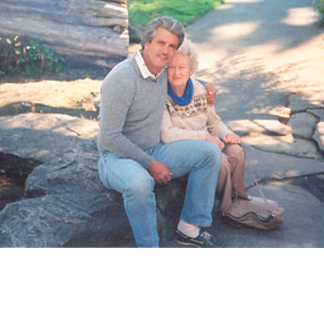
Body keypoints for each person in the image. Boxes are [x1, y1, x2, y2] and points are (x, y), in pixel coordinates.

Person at [97, 16, 222, 248]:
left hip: (155, 149)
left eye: (172, 46)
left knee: (209, 153)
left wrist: (207, 86)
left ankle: (189, 228)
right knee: (140, 183)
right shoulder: (120, 79)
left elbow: (184, 75)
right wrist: (150, 164)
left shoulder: (163, 71)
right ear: (146, 42)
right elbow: (109, 138)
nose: (166, 51)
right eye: (161, 43)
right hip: (117, 158)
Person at [160, 38, 251, 217]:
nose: (176, 73)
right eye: (171, 67)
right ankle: (227, 208)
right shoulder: (161, 95)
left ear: (191, 69)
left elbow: (214, 123)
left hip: (208, 141)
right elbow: (167, 134)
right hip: (184, 149)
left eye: (182, 67)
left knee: (237, 152)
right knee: (221, 161)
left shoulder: (200, 89)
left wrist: (228, 134)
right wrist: (205, 138)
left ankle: (239, 200)